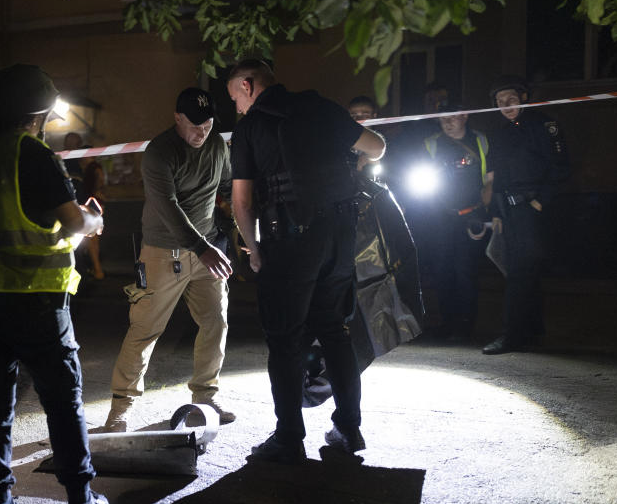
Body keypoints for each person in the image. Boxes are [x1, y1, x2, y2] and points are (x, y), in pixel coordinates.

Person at [0, 64, 109, 504]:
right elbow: (73, 223)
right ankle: (80, 501)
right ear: (37, 113)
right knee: (62, 401)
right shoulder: (34, 154)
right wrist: (92, 222)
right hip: (37, 303)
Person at [227, 59, 385, 463]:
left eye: (235, 99)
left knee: (284, 339)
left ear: (248, 85)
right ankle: (348, 428)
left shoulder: (249, 128)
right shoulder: (322, 107)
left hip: (289, 240)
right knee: (335, 331)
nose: (238, 109)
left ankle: (288, 437)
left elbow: (242, 202)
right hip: (340, 237)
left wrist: (254, 248)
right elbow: (377, 146)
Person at [103, 87, 235, 432]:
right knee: (145, 329)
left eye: (206, 125)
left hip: (205, 251)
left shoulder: (218, 145)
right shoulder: (160, 152)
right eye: (194, 125)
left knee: (215, 322)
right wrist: (202, 247)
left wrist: (237, 227)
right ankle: (121, 407)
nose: (201, 132)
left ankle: (205, 396)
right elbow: (168, 208)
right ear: (177, 118)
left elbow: (227, 187)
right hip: (164, 252)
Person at [481, 75, 570, 355]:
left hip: (531, 208)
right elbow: (495, 176)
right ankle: (532, 331)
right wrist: (496, 212)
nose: (506, 105)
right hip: (508, 211)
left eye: (510, 99)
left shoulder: (542, 125)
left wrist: (540, 202)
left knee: (520, 272)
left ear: (523, 99)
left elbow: (560, 168)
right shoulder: (499, 132)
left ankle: (512, 335)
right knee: (521, 271)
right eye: (499, 102)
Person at [422, 106, 490, 342]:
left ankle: (465, 326)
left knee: (466, 272)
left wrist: (486, 211)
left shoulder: (479, 140)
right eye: (443, 119)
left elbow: (490, 177)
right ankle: (446, 322)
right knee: (442, 271)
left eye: (452, 118)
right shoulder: (432, 143)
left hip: (470, 215)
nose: (447, 123)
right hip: (440, 217)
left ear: (465, 116)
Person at [82, 160, 107, 279]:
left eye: (102, 174)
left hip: (95, 226)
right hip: (89, 228)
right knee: (92, 238)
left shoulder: (99, 194)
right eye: (98, 175)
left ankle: (96, 269)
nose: (101, 178)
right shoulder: (91, 196)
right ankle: (97, 269)